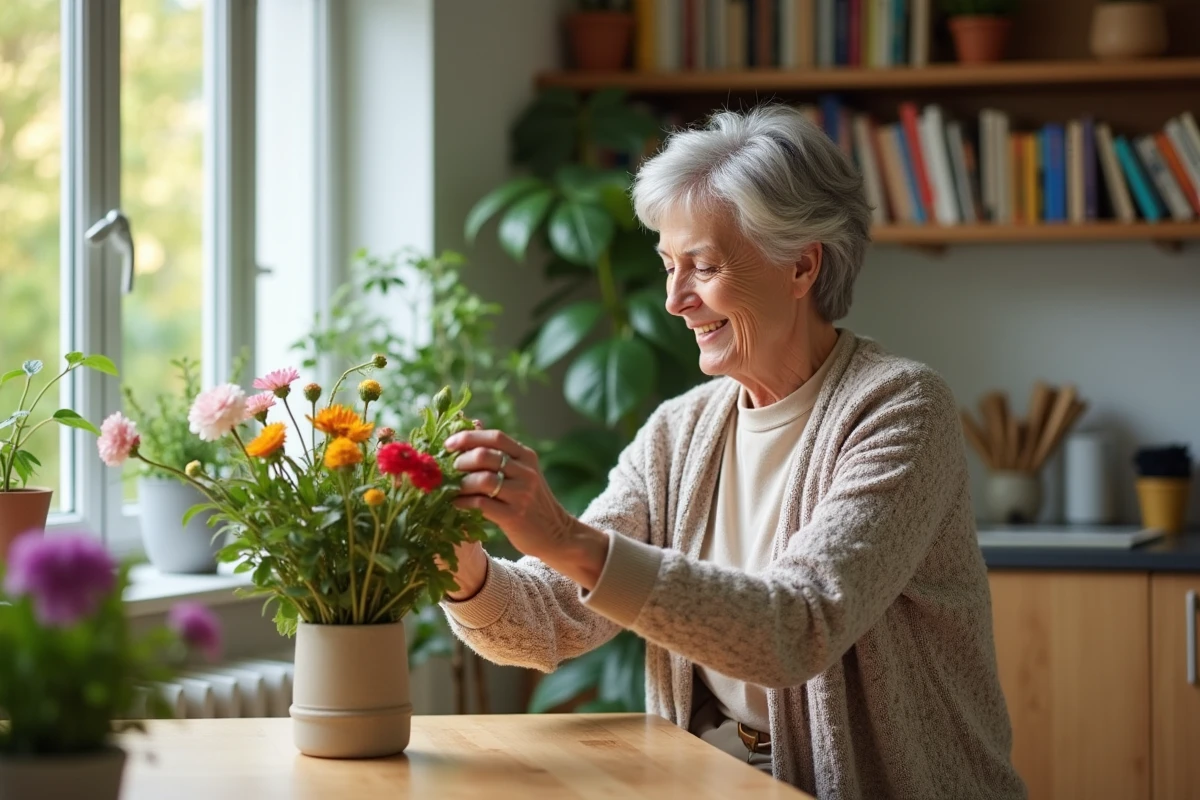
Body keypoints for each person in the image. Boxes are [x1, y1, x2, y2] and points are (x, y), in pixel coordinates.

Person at [438, 104, 1026, 800]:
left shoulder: (899, 408)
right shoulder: (679, 431)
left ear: (801, 265)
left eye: (703, 267)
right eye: (667, 267)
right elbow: (550, 621)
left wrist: (566, 536)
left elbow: (796, 628)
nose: (674, 301)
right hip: (716, 778)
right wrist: (452, 551)